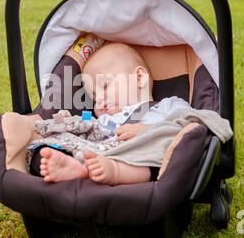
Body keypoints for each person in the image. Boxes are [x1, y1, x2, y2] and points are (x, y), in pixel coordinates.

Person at [35, 41, 190, 185]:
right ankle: (77, 167)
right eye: (94, 98)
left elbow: (189, 124)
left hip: (144, 157)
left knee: (153, 155)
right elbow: (85, 123)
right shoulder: (104, 119)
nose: (100, 99)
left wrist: (148, 130)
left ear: (139, 77)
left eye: (106, 85)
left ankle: (113, 171)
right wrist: (67, 120)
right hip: (104, 153)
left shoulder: (166, 106)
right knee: (78, 138)